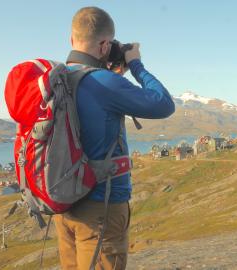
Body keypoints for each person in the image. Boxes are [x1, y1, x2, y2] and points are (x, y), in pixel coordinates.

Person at [53, 6, 175, 270]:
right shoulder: (105, 82)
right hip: (102, 207)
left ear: (72, 39)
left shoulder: (57, 78)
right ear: (105, 44)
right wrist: (135, 63)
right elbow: (163, 104)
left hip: (64, 203)